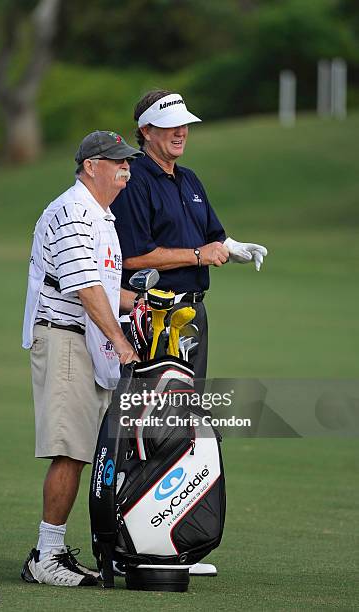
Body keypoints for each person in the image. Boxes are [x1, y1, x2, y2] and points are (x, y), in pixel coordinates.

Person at [111, 91, 268, 577]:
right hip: (150, 315)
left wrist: (231, 247)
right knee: (144, 427)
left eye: (185, 125)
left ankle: (168, 537)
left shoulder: (190, 180)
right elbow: (134, 256)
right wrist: (199, 256)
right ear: (147, 131)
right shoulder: (133, 179)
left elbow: (211, 236)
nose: (181, 133)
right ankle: (132, 540)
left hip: (192, 317)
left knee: (180, 421)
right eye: (171, 125)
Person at [20, 130, 142, 587]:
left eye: (128, 162)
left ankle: (61, 552)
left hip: (86, 340)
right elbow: (87, 290)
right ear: (91, 166)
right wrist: (123, 342)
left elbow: (107, 288)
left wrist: (148, 301)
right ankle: (46, 557)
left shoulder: (100, 216)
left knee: (84, 451)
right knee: (69, 451)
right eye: (117, 163)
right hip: (66, 337)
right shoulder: (73, 211)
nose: (126, 170)